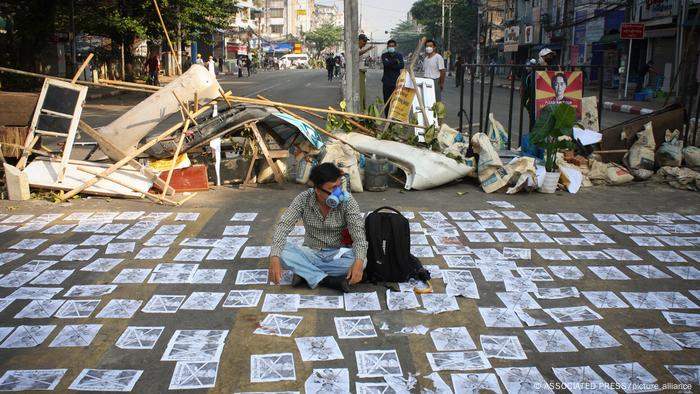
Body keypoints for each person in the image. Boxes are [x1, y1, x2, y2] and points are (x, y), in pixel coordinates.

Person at [268, 163, 367, 293]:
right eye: (333, 188)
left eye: (339, 186)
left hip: (337, 254)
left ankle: (305, 273)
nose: (338, 192)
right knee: (280, 252)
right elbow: (283, 226)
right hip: (311, 251)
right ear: (318, 190)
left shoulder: (348, 201)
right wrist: (274, 258)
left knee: (362, 260)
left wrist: (359, 263)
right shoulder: (303, 199)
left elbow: (359, 237)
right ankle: (327, 280)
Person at [381, 39, 405, 117]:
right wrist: (395, 61)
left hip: (396, 82)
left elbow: (401, 66)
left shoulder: (399, 55)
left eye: (392, 46)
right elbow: (385, 64)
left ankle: (394, 118)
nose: (391, 47)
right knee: (387, 101)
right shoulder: (384, 55)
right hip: (386, 82)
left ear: (395, 46)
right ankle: (387, 117)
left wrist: (390, 64)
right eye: (390, 46)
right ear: (387, 47)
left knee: (396, 101)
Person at [358, 34, 374, 110]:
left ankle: (362, 109)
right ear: (359, 40)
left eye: (365, 41)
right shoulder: (355, 47)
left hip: (361, 72)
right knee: (360, 93)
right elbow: (357, 53)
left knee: (363, 93)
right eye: (364, 41)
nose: (365, 43)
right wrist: (368, 49)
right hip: (357, 74)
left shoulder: (360, 48)